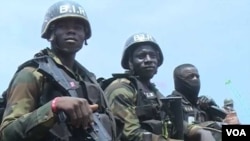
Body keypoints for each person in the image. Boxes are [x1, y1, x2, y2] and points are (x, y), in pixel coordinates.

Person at [0, 1, 116, 141]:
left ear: (85, 35)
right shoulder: (32, 74)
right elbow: (7, 134)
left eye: (78, 27)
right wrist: (54, 107)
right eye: (63, 26)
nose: (71, 31)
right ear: (50, 33)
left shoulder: (90, 81)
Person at [102, 32, 182, 141]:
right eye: (141, 56)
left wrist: (196, 130)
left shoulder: (154, 92)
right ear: (130, 61)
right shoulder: (121, 88)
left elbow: (173, 122)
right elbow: (130, 134)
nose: (148, 60)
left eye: (152, 55)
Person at [167, 63, 223, 141]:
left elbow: (223, 123)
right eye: (191, 76)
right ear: (178, 80)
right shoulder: (171, 102)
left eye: (197, 76)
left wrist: (213, 106)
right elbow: (175, 129)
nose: (195, 79)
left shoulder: (203, 103)